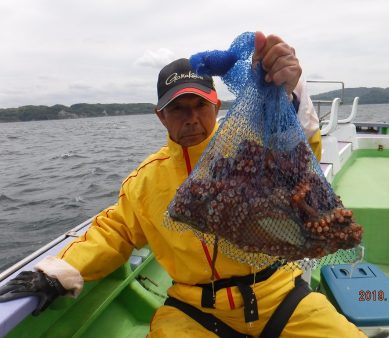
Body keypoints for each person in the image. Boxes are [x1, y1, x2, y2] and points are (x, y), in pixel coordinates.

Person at [0, 32, 367, 337]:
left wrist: (289, 90)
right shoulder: (146, 181)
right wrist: (58, 271)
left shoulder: (253, 149)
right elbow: (115, 232)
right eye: (178, 108)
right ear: (161, 115)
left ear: (216, 105)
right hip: (193, 309)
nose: (191, 118)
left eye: (200, 105)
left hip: (277, 292)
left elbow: (301, 155)